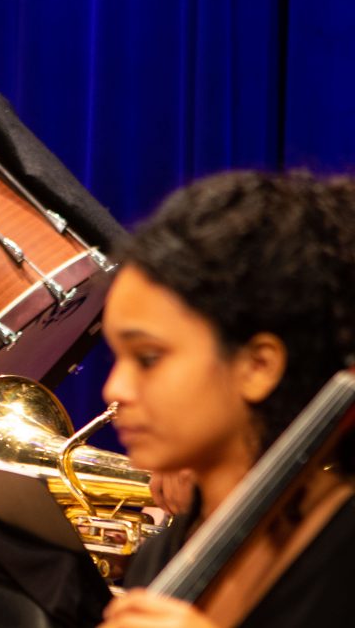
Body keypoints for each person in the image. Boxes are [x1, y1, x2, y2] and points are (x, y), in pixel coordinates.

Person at [97, 171, 355, 628]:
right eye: (117, 357)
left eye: (149, 357)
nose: (114, 389)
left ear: (258, 366)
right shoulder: (161, 556)